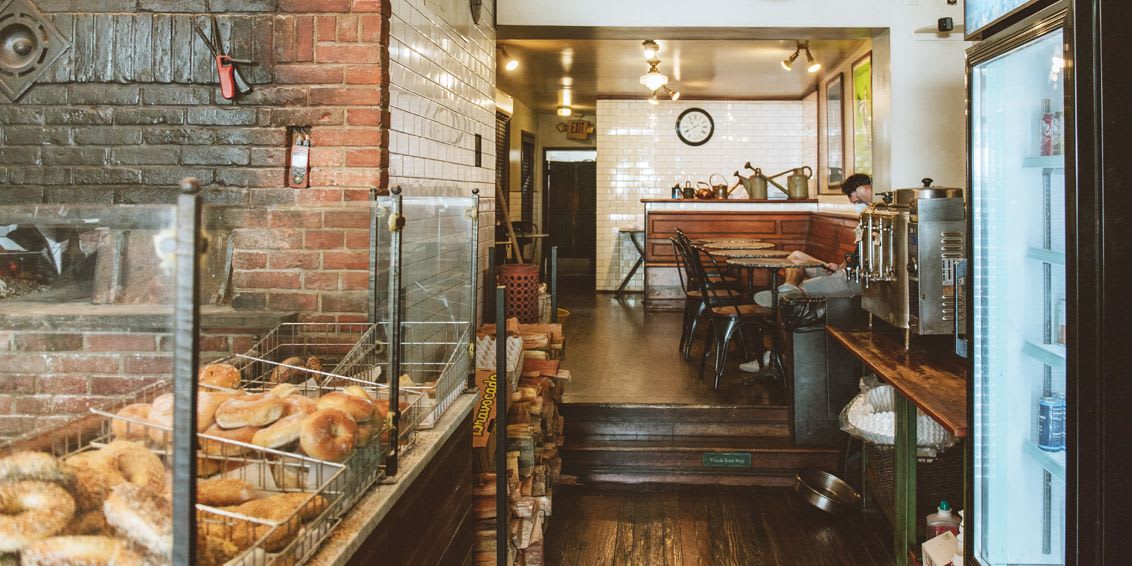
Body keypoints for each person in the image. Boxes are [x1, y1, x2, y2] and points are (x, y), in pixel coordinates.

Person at [739, 174, 872, 373]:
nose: (857, 204)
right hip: (842, 272)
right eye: (855, 201)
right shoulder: (867, 219)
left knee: (791, 299)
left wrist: (864, 192)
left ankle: (774, 353)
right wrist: (839, 265)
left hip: (849, 281)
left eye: (859, 200)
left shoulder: (879, 215)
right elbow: (856, 255)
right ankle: (788, 288)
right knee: (796, 256)